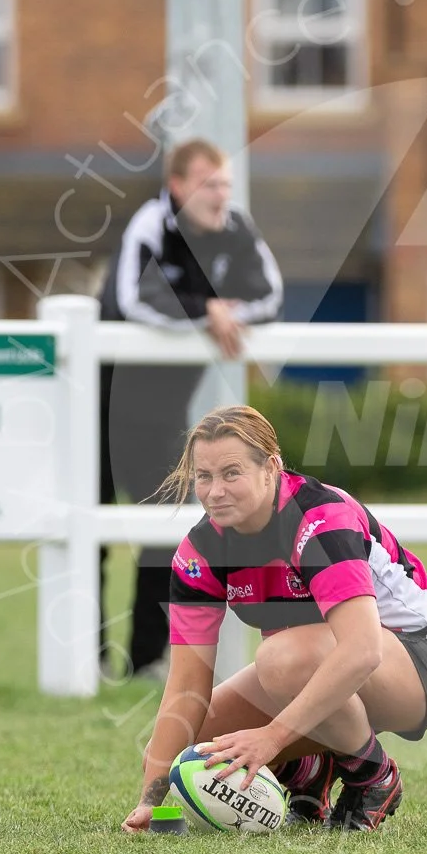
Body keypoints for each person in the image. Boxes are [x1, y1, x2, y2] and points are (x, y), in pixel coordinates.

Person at [120, 405, 427, 832]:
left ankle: (372, 777)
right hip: (311, 664)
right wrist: (153, 801)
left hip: (423, 658)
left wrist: (272, 737)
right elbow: (185, 687)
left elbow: (362, 651)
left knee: (281, 659)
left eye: (232, 473)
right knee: (185, 751)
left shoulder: (319, 518)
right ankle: (308, 772)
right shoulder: (200, 552)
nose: (215, 491)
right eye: (204, 476)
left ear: (271, 468)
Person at [96, 138, 283, 680]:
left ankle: (146, 660)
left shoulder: (236, 228)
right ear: (177, 187)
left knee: (169, 531)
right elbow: (134, 301)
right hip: (98, 405)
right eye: (208, 183)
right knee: (90, 537)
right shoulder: (150, 225)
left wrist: (226, 312)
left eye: (225, 183)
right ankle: (88, 663)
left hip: (161, 414)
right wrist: (207, 312)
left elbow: (270, 296)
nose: (220, 194)